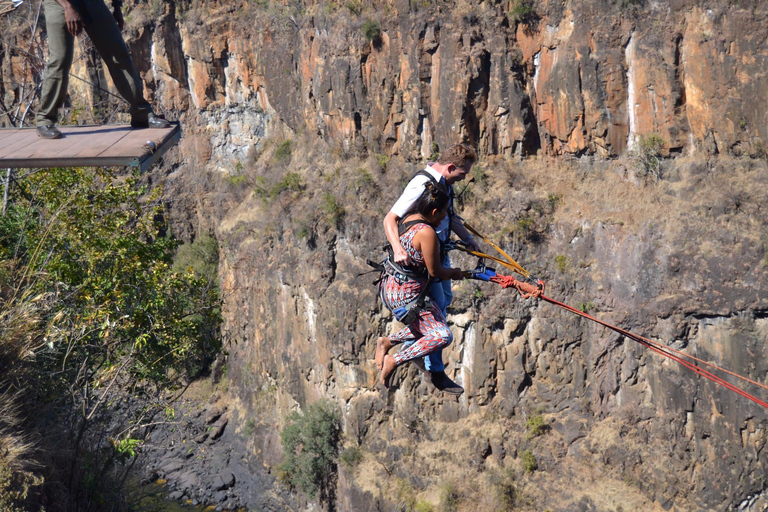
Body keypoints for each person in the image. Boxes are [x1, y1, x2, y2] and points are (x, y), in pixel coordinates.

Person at [379, 143, 480, 395]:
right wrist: (399, 250)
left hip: (439, 252)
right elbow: (390, 218)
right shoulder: (421, 185)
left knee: (444, 302)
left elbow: (448, 217)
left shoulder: (445, 185)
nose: (463, 177)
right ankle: (435, 370)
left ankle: (391, 341)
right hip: (426, 261)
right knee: (438, 321)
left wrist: (469, 240)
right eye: (462, 173)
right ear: (449, 167)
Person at [35, 0, 170, 139]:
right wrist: (68, 7)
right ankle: (45, 119)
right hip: (59, 4)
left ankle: (142, 114)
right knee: (60, 60)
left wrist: (117, 6)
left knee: (118, 54)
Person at [375, 183, 465, 388]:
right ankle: (396, 359)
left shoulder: (409, 217)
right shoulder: (426, 232)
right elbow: (436, 272)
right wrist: (454, 273)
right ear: (434, 211)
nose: (444, 217)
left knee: (436, 321)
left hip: (390, 287)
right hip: (406, 297)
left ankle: (388, 342)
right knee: (442, 335)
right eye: (443, 212)